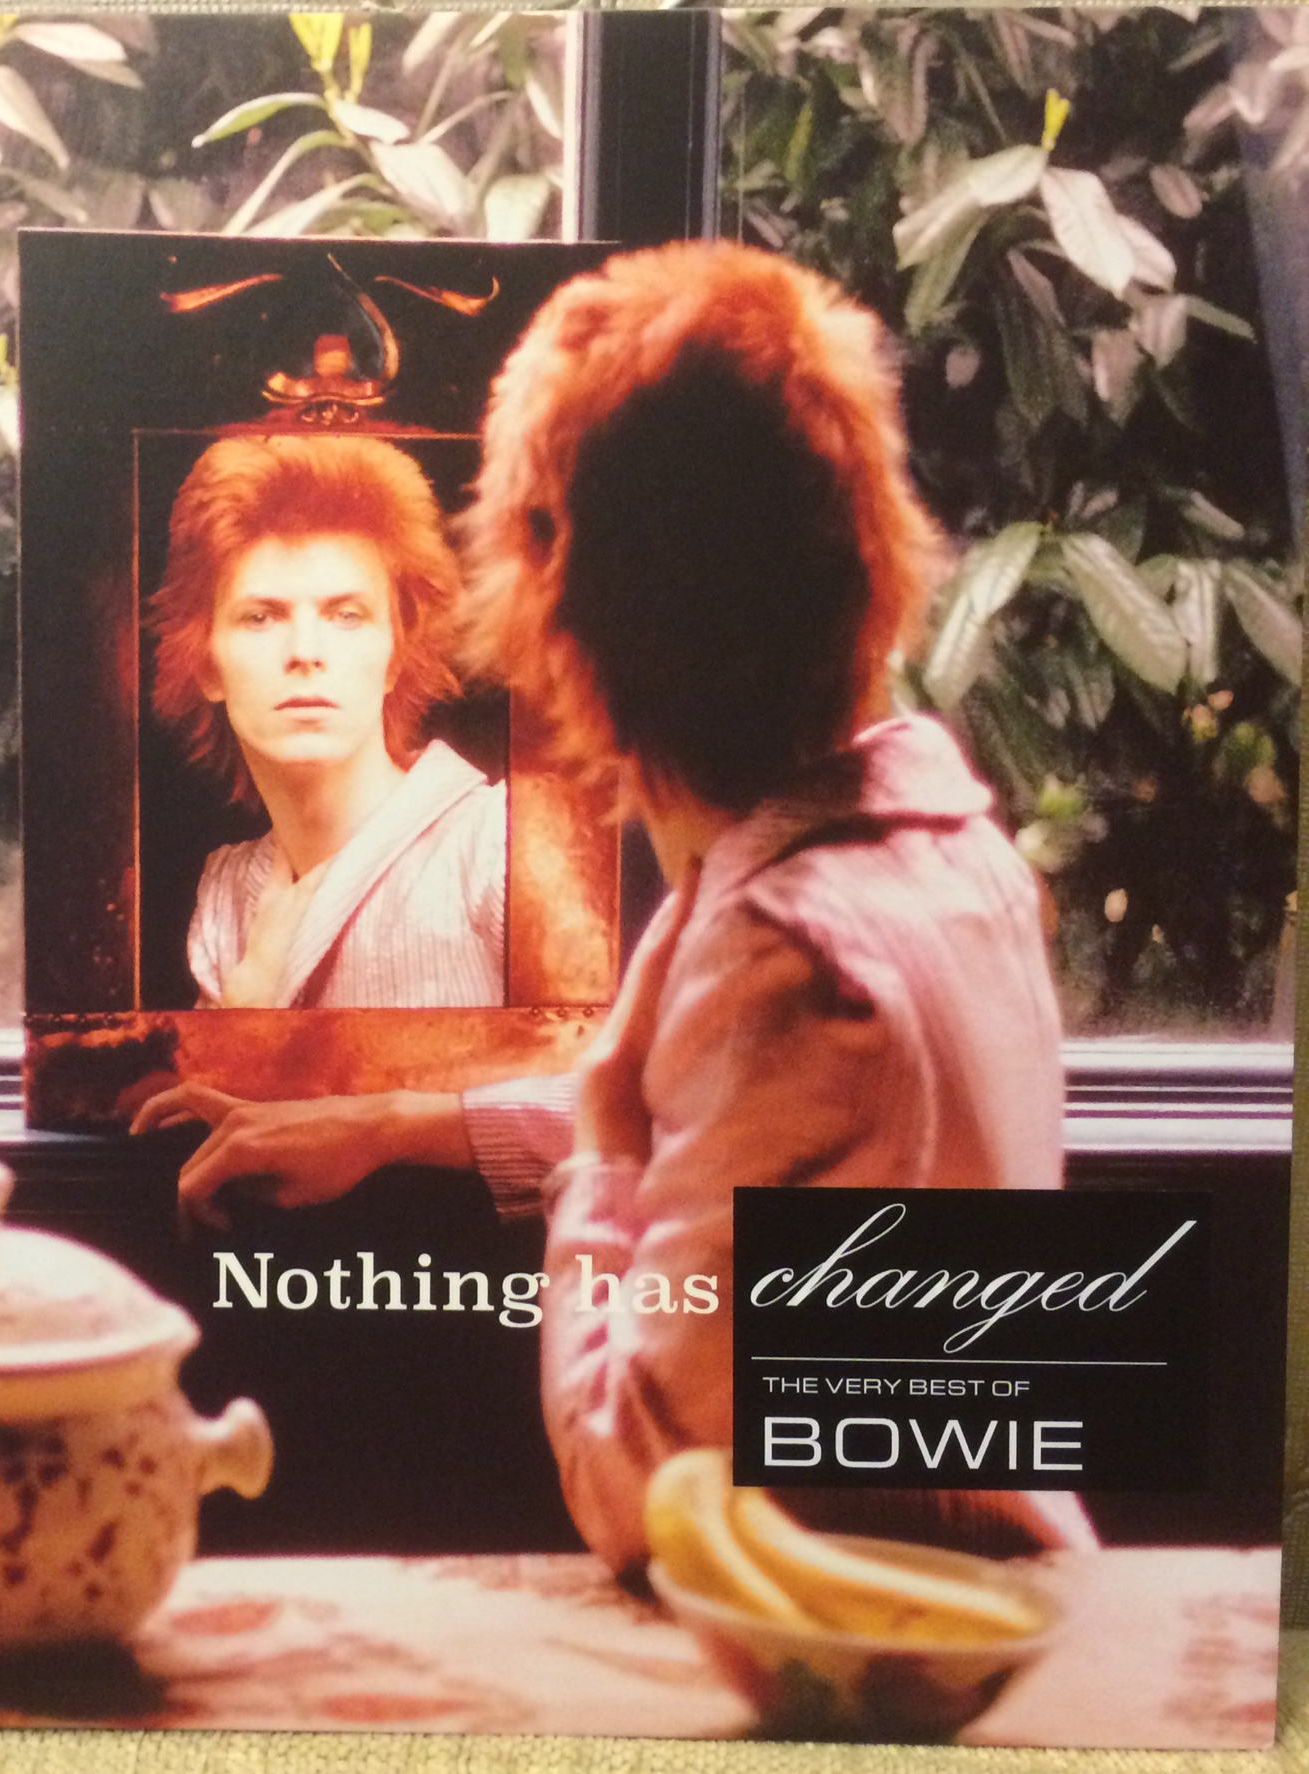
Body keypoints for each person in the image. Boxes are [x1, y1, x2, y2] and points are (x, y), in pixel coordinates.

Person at [137, 240, 1096, 1567]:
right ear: (864, 551)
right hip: (984, 1585)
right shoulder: (952, 857)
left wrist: (595, 1153)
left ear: (557, 612)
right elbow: (749, 1130)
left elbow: (633, 1482)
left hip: (850, 1630)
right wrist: (402, 1123)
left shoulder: (779, 953)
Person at [146, 433, 506, 1011]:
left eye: (347, 615)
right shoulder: (227, 894)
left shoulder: (492, 843)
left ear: (396, 655)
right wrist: (248, 1000)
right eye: (261, 617)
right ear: (207, 665)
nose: (306, 652)